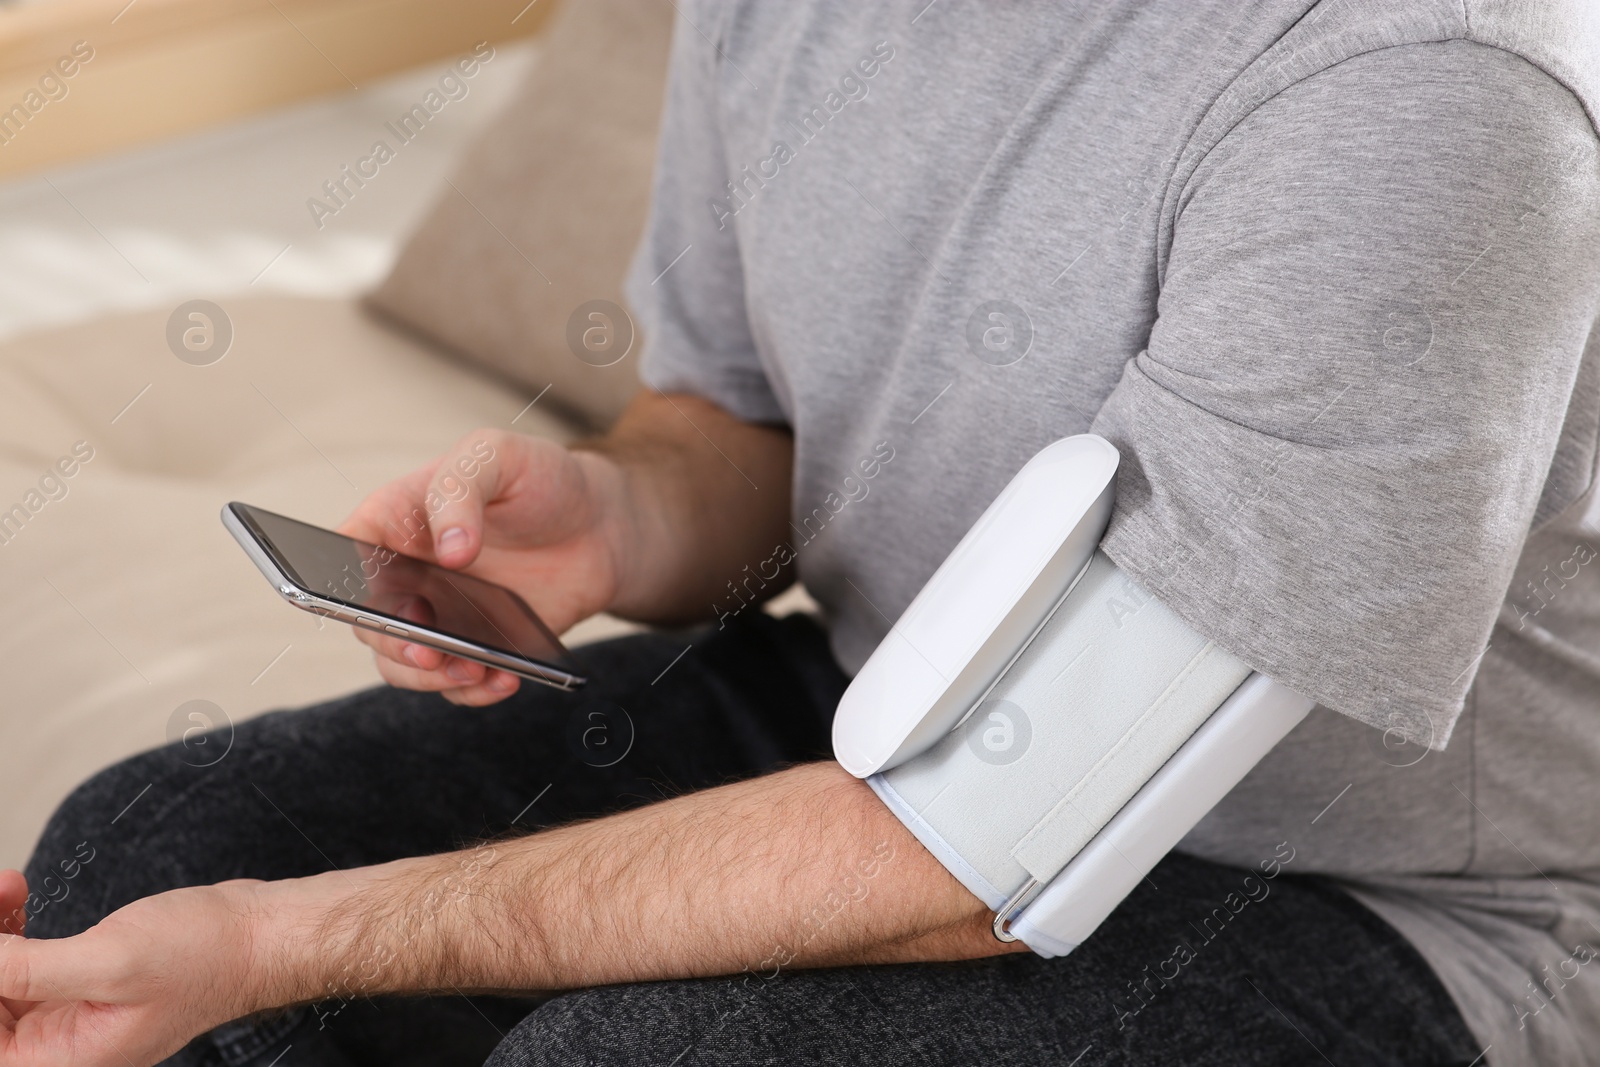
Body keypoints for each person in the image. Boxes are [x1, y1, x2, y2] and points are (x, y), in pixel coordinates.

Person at [4, 0, 1599, 1063]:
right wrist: (620, 520)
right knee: (146, 850)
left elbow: (1010, 836)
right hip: (886, 698)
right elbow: (740, 430)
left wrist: (277, 947)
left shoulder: (1422, 95)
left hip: (1356, 895)